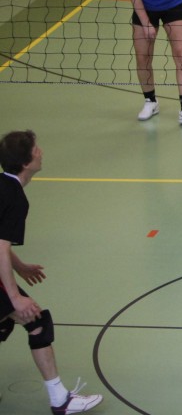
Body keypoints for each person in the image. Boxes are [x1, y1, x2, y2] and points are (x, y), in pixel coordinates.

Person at [1, 130, 103, 414]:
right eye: (36, 150)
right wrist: (15, 298)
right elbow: (0, 247)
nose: (41, 152)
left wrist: (20, 267)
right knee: (35, 320)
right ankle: (60, 400)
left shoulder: (4, 186)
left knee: (10, 321)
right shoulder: (14, 198)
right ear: (26, 163)